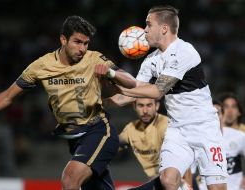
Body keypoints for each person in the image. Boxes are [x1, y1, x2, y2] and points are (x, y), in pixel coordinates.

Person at [0, 15, 136, 190]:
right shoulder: (41, 66)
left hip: (98, 131)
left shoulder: (94, 59)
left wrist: (111, 73)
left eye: (86, 43)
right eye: (77, 42)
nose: (82, 48)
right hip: (74, 140)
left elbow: (131, 82)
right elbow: (7, 96)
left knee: (70, 179)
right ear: (63, 39)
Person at [96, 5, 228, 190]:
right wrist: (99, 103)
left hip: (205, 129)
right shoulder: (151, 60)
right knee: (168, 179)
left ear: (164, 28)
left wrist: (113, 77)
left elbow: (156, 92)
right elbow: (131, 94)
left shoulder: (184, 51)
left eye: (148, 25)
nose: (145, 30)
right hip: (177, 130)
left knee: (217, 188)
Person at [117, 98, 192, 189]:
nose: (145, 111)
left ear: (157, 106)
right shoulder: (130, 129)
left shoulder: (166, 125)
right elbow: (111, 147)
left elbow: (182, 157)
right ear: (134, 107)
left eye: (149, 105)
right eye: (140, 105)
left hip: (173, 182)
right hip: (155, 181)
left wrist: (188, 186)